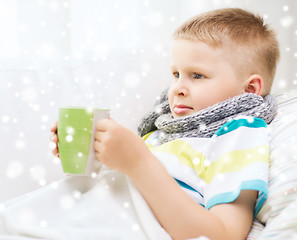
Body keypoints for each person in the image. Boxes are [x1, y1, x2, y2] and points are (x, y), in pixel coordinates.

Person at [50, 8, 280, 240]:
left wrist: (137, 161)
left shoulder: (239, 133)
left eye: (197, 75)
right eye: (176, 74)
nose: (177, 88)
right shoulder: (160, 135)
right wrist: (92, 156)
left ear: (249, 89)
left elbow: (224, 234)